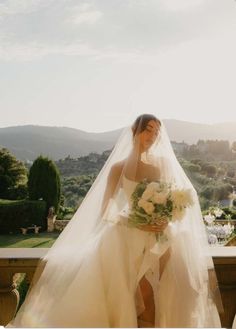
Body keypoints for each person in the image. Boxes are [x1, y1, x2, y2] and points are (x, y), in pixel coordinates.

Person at [8, 114, 222, 328]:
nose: (153, 135)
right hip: (127, 238)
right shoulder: (117, 168)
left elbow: (171, 202)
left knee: (155, 295)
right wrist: (136, 222)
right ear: (134, 131)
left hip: (160, 239)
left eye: (156, 131)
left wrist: (165, 220)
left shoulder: (160, 166)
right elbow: (105, 210)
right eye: (148, 129)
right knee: (135, 296)